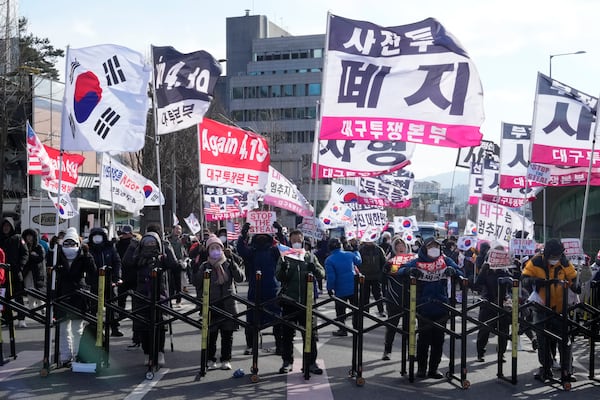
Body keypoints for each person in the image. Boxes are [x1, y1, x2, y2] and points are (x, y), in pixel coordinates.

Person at [397, 236, 461, 379]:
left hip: (441, 305)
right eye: (431, 246)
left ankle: (433, 369)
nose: (434, 249)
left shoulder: (445, 261)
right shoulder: (417, 262)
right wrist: (410, 271)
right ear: (424, 248)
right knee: (423, 339)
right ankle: (421, 368)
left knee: (438, 340)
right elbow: (401, 270)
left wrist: (453, 271)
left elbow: (460, 272)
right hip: (423, 305)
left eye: (436, 246)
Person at [521, 238, 578, 382]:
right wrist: (535, 281)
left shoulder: (564, 262)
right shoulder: (535, 261)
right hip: (541, 308)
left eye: (557, 256)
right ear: (546, 253)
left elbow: (574, 279)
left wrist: (576, 285)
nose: (555, 259)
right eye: (553, 256)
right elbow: (524, 278)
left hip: (560, 309)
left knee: (565, 341)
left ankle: (567, 371)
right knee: (543, 341)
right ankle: (546, 370)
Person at [124, 224, 178, 366]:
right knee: (143, 327)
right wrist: (132, 246)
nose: (150, 245)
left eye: (153, 242)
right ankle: (147, 352)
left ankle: (160, 352)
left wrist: (168, 247)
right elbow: (127, 262)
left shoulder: (161, 256)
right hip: (141, 295)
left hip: (159, 294)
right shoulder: (138, 255)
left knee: (160, 325)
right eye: (147, 242)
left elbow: (173, 264)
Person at [275, 229, 325, 374]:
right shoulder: (285, 257)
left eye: (299, 240)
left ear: (303, 241)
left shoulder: (309, 257)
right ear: (290, 241)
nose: (297, 242)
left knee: (310, 334)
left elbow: (322, 273)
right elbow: (278, 276)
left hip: (307, 301)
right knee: (287, 334)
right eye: (294, 240)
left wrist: (314, 268)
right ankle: (287, 362)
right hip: (289, 301)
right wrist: (284, 269)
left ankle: (310, 363)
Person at [194, 235, 244, 371]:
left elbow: (240, 278)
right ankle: (210, 359)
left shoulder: (228, 263)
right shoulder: (205, 265)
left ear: (222, 249)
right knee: (211, 334)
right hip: (211, 304)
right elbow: (197, 282)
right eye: (212, 248)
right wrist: (202, 270)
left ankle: (226, 359)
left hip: (228, 303)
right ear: (208, 251)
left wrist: (232, 260)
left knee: (227, 335)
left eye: (217, 247)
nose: (215, 250)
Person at [237, 222, 283, 355]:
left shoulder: (274, 251)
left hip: (272, 290)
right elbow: (241, 249)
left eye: (265, 236)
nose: (261, 238)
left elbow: (285, 249)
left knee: (277, 320)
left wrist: (279, 233)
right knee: (251, 320)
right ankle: (251, 346)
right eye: (259, 236)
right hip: (255, 290)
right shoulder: (252, 252)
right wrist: (243, 235)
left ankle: (279, 346)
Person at [54, 227, 96, 367]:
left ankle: (78, 354)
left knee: (77, 328)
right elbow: (50, 267)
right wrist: (52, 250)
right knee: (62, 328)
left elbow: (92, 271)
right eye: (67, 243)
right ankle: (66, 356)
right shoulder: (58, 255)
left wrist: (87, 254)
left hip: (79, 293)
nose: (69, 247)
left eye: (72, 244)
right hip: (62, 294)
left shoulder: (83, 256)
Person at [474, 246, 511, 362]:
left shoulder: (505, 270)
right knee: (484, 330)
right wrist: (484, 269)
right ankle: (481, 352)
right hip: (487, 302)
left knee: (503, 330)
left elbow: (514, 283)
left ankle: (501, 353)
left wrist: (516, 268)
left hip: (502, 302)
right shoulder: (486, 269)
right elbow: (477, 283)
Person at [382, 237, 415, 360]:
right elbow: (389, 275)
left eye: (402, 246)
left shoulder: (414, 260)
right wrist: (388, 267)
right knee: (392, 326)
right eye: (397, 246)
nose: (400, 248)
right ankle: (387, 350)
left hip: (410, 297)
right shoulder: (391, 261)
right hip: (394, 297)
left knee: (410, 327)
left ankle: (410, 352)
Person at [88, 227, 123, 337]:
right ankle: (94, 326)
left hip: (109, 280)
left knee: (112, 305)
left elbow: (117, 262)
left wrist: (116, 277)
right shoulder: (89, 249)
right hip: (94, 281)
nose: (97, 238)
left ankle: (114, 327)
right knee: (94, 305)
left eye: (100, 235)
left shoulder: (110, 248)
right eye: (95, 235)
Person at [325, 237, 362, 337]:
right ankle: (357, 328)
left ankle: (342, 329)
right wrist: (356, 250)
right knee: (356, 308)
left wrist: (329, 288)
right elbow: (359, 261)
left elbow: (331, 277)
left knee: (340, 310)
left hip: (340, 288)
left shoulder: (329, 260)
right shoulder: (349, 254)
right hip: (353, 286)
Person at [0, 217, 29, 327]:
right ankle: (6, 318)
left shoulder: (18, 238)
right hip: (3, 274)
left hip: (16, 273)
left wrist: (20, 266)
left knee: (18, 297)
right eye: (4, 226)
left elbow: (25, 253)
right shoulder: (1, 239)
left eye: (8, 226)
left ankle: (21, 319)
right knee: (4, 297)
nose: (6, 228)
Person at [116, 225, 139, 345]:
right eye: (122, 234)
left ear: (130, 233)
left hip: (134, 278)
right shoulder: (118, 244)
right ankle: (116, 326)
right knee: (119, 304)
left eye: (125, 234)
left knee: (136, 306)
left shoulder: (135, 244)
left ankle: (136, 335)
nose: (123, 236)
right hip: (123, 278)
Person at [358, 238, 387, 317]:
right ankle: (365, 311)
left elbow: (384, 262)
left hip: (376, 276)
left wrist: (381, 274)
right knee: (365, 295)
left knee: (378, 295)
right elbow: (358, 262)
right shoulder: (361, 250)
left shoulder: (378, 249)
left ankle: (381, 310)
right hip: (365, 276)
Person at [21, 229, 46, 313]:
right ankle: (32, 308)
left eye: (30, 235)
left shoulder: (39, 247)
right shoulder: (23, 246)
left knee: (38, 290)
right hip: (27, 272)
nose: (29, 237)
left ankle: (42, 306)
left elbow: (41, 258)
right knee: (29, 289)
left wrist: (31, 256)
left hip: (37, 272)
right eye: (27, 235)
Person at [168, 225, 187, 307]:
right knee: (169, 283)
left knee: (178, 283)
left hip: (179, 263)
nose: (178, 231)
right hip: (170, 263)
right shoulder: (168, 239)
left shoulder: (183, 240)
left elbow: (185, 252)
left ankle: (178, 300)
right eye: (177, 229)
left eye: (180, 229)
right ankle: (169, 300)